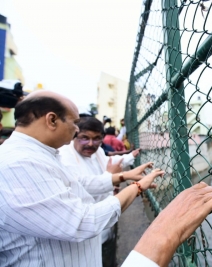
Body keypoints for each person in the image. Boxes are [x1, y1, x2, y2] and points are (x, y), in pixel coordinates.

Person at [0, 91, 164, 266]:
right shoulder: (19, 164)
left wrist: (123, 176)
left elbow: (77, 183)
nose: (77, 129)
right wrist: (136, 187)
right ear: (52, 120)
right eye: (75, 123)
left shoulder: (39, 155)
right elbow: (82, 223)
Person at [58, 117, 140, 243]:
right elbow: (80, 184)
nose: (91, 143)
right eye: (85, 138)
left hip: (102, 221)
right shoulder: (65, 155)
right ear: (74, 136)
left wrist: (129, 157)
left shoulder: (98, 152)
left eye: (96, 139)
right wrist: (117, 176)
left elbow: (109, 162)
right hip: (85, 227)